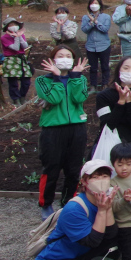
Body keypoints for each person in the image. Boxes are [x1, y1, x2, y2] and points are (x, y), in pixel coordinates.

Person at [29, 160, 119, 260]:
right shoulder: (74, 209)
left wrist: (107, 208)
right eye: (95, 177)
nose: (101, 181)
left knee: (120, 242)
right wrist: (102, 211)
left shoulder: (101, 200)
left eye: (104, 176)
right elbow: (92, 241)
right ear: (84, 181)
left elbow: (111, 235)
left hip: (78, 254)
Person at [37, 46, 90, 219]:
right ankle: (46, 203)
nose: (65, 58)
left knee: (74, 169)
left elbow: (79, 98)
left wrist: (75, 77)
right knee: (51, 168)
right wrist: (57, 78)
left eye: (69, 56)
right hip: (52, 130)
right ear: (52, 60)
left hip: (76, 128)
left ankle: (69, 202)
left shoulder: (79, 80)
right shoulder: (43, 81)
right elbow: (54, 98)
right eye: (60, 56)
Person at [95, 56, 131, 175]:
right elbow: (108, 124)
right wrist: (121, 102)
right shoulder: (103, 96)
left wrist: (130, 102)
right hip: (109, 147)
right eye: (126, 68)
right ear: (119, 71)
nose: (130, 72)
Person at [81, 0, 113, 89]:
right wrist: (91, 22)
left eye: (96, 3)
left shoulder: (106, 17)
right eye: (92, 3)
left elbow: (105, 29)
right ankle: (93, 85)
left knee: (105, 66)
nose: (94, 5)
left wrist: (96, 22)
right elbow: (84, 30)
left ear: (100, 5)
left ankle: (105, 84)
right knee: (93, 67)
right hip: (91, 46)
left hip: (104, 45)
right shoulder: (85, 17)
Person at [1, 17, 33, 105]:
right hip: (11, 59)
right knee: (13, 81)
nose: (13, 27)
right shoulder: (4, 38)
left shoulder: (21, 35)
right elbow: (15, 48)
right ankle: (15, 99)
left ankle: (22, 96)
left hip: (21, 59)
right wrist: (16, 38)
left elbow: (25, 46)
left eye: (15, 24)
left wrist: (19, 37)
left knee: (26, 79)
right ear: (7, 27)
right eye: (11, 25)